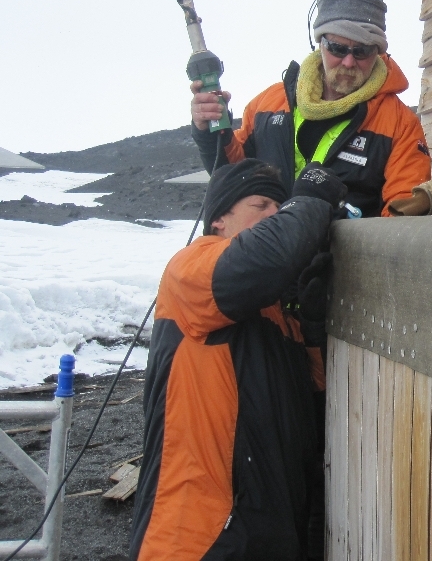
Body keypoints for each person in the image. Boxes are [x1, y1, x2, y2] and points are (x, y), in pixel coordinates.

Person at [129, 159, 347, 560]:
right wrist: (310, 198)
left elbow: (313, 404)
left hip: (263, 535)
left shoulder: (273, 310)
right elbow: (266, 257)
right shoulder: (190, 268)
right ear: (218, 220)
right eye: (260, 205)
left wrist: (313, 324)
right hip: (197, 538)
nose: (274, 214)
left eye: (279, 207)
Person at [190, 0, 431, 216]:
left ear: (378, 52)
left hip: (341, 243)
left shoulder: (400, 125)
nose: (348, 62)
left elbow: (401, 217)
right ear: (319, 43)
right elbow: (231, 176)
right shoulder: (267, 104)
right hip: (264, 240)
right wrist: (210, 133)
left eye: (362, 51)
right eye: (337, 48)